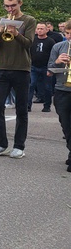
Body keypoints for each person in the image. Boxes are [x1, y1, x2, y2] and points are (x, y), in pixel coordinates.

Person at [0, 0, 37, 159]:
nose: (10, 9)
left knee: (21, 109)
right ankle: (1, 143)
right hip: (2, 68)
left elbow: (29, 44)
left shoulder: (29, 20)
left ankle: (19, 146)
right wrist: (1, 31)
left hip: (22, 68)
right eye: (7, 6)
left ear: (20, 3)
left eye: (13, 5)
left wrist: (16, 33)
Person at [47, 20, 71, 172]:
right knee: (66, 123)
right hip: (62, 89)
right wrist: (57, 62)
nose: (69, 37)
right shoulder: (58, 47)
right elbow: (49, 71)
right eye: (67, 34)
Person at [29, 22, 56, 112]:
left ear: (46, 30)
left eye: (42, 29)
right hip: (33, 67)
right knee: (31, 85)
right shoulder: (33, 40)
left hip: (46, 67)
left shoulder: (50, 41)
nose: (39, 30)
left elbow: (53, 55)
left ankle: (47, 106)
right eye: (38, 28)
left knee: (47, 87)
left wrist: (51, 68)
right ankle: (27, 106)